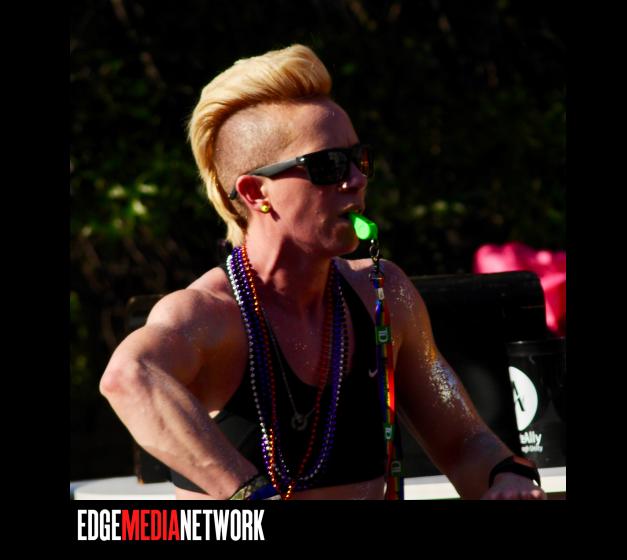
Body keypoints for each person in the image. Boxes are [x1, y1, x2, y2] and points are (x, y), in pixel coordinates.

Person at [100, 44, 547, 500]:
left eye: (359, 159)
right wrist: (249, 497)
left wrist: (505, 477)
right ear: (255, 193)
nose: (357, 180)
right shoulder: (208, 314)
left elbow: (464, 442)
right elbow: (129, 376)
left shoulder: (385, 294)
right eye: (329, 165)